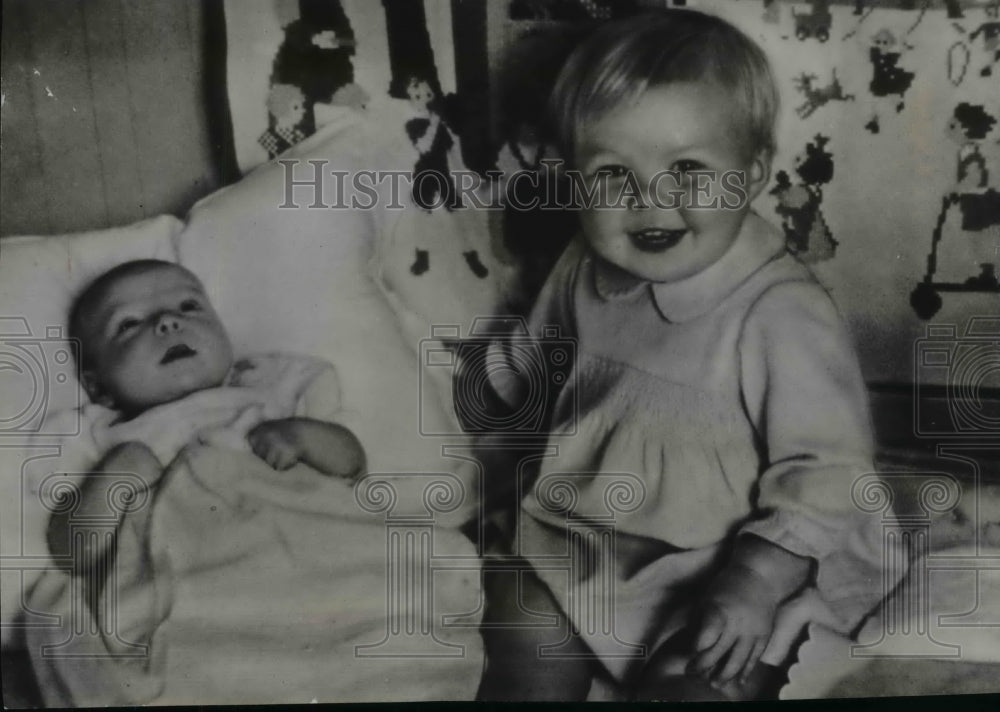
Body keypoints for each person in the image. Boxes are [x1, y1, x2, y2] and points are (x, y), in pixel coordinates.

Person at [474, 9, 893, 702]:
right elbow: (541, 361)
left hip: (739, 561)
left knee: (701, 679)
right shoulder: (584, 264)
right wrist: (482, 402)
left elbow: (828, 472)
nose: (650, 200)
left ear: (751, 173)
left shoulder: (780, 311)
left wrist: (756, 579)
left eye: (688, 168)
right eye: (612, 174)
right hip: (595, 536)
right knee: (518, 619)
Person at [48, 259, 366, 597]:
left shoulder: (265, 390)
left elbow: (352, 465)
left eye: (188, 306)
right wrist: (113, 479)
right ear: (97, 388)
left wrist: (303, 435)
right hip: (193, 585)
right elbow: (72, 555)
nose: (168, 322)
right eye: (129, 324)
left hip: (310, 561)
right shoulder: (102, 438)